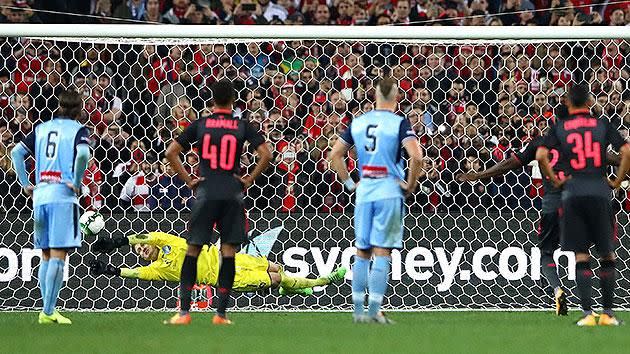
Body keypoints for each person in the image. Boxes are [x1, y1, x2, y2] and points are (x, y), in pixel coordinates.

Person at [457, 115, 620, 316]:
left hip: (553, 204)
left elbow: (509, 164)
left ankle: (557, 289)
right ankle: (593, 308)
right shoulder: (585, 145)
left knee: (546, 252)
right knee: (589, 253)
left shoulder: (541, 143)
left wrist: (479, 175)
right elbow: (616, 159)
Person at [164, 79, 272, 325]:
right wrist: (248, 179)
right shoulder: (241, 125)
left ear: (212, 100)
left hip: (207, 191)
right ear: (233, 100)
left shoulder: (200, 124)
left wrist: (189, 180)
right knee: (228, 252)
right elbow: (266, 154)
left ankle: (183, 313)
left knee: (193, 250)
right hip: (232, 193)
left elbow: (171, 152)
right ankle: (220, 315)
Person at [329, 77, 423, 323]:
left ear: (375, 97)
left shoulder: (358, 122)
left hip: (365, 189)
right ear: (396, 97)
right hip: (389, 189)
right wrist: (410, 185)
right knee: (382, 252)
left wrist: (350, 184)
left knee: (362, 250)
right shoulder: (399, 123)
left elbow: (335, 154)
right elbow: (417, 157)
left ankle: (358, 311)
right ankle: (375, 311)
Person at [536, 84, 630, 327]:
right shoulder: (601, 125)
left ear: (568, 103)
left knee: (581, 255)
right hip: (599, 190)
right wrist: (617, 181)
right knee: (607, 253)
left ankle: (588, 314)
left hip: (573, 192)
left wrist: (555, 180)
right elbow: (626, 152)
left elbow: (541, 156)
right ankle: (608, 313)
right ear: (589, 102)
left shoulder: (560, 127)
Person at [10, 90, 91, 324]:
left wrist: (26, 184)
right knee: (58, 254)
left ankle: (46, 310)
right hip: (62, 196)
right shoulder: (78, 130)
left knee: (45, 254)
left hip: (41, 195)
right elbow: (83, 155)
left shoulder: (41, 128)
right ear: (78, 109)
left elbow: (16, 153)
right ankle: (47, 312)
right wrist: (76, 182)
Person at [88, 231, 346, 296]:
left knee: (276, 268)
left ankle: (293, 288)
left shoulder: (166, 241)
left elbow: (149, 235)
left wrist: (120, 241)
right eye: (139, 251)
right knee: (276, 278)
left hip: (227, 257)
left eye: (142, 245)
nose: (142, 249)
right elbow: (138, 274)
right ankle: (324, 280)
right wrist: (112, 270)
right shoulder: (159, 269)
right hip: (225, 278)